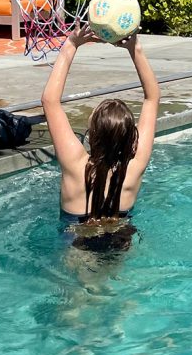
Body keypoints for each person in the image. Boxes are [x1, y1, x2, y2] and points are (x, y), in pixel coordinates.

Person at [41, 24, 160, 247]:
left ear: (93, 132)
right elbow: (152, 98)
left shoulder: (75, 163)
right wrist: (136, 49)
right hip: (121, 238)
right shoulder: (135, 165)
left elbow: (50, 101)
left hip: (76, 240)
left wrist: (71, 44)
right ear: (131, 138)